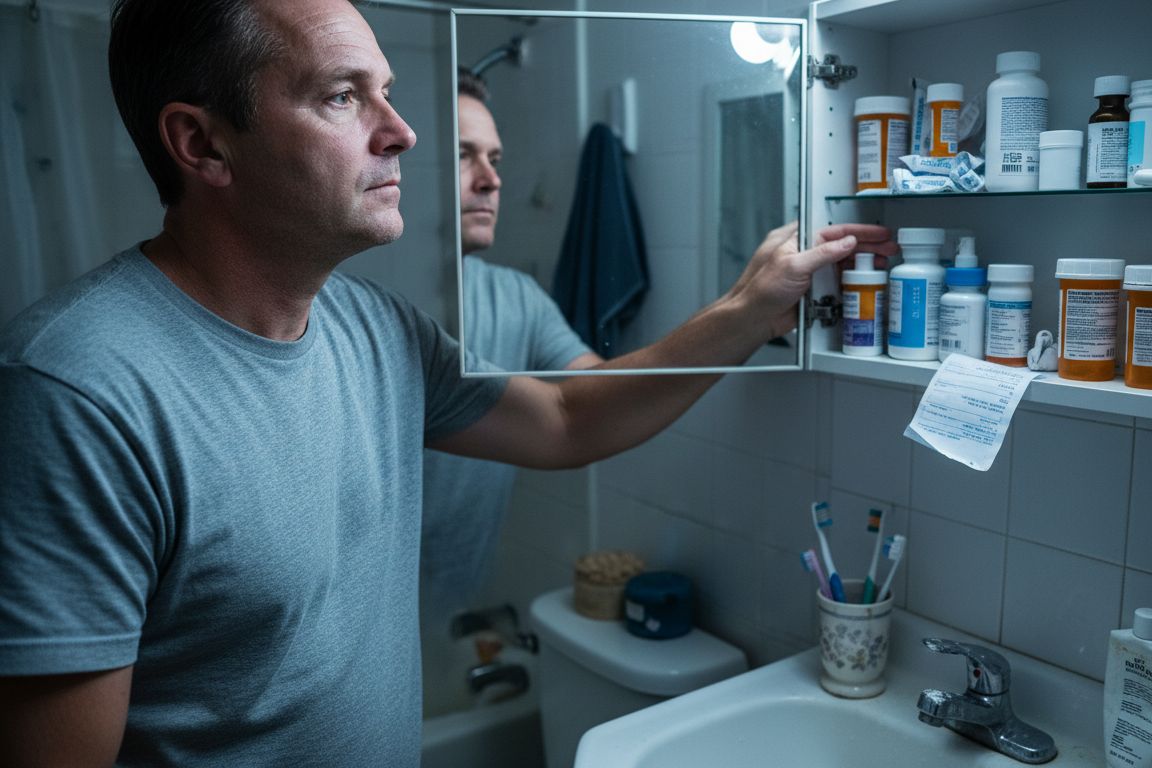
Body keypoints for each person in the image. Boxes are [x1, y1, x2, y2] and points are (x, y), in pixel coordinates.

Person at [0, 0, 895, 764]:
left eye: (385, 91)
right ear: (202, 144)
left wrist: (745, 308)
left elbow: (564, 420)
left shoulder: (374, 327)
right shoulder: (77, 390)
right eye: (343, 96)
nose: (402, 131)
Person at [419, 70, 601, 624]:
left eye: (494, 160)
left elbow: (600, 397)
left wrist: (739, 314)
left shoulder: (516, 296)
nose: (491, 181)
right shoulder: (351, 301)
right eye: (462, 155)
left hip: (454, 613)